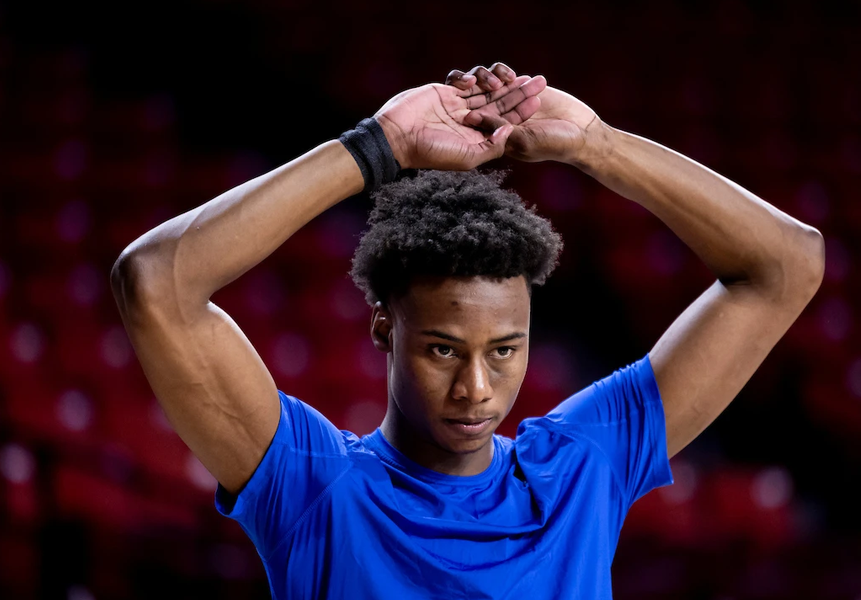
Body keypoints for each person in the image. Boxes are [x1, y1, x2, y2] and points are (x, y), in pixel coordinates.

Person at [111, 62, 824, 598]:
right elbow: (154, 284)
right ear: (384, 329)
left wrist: (599, 147)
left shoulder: (579, 472)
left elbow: (788, 264)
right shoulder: (315, 485)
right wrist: (377, 147)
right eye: (443, 349)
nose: (477, 390)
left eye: (506, 351)